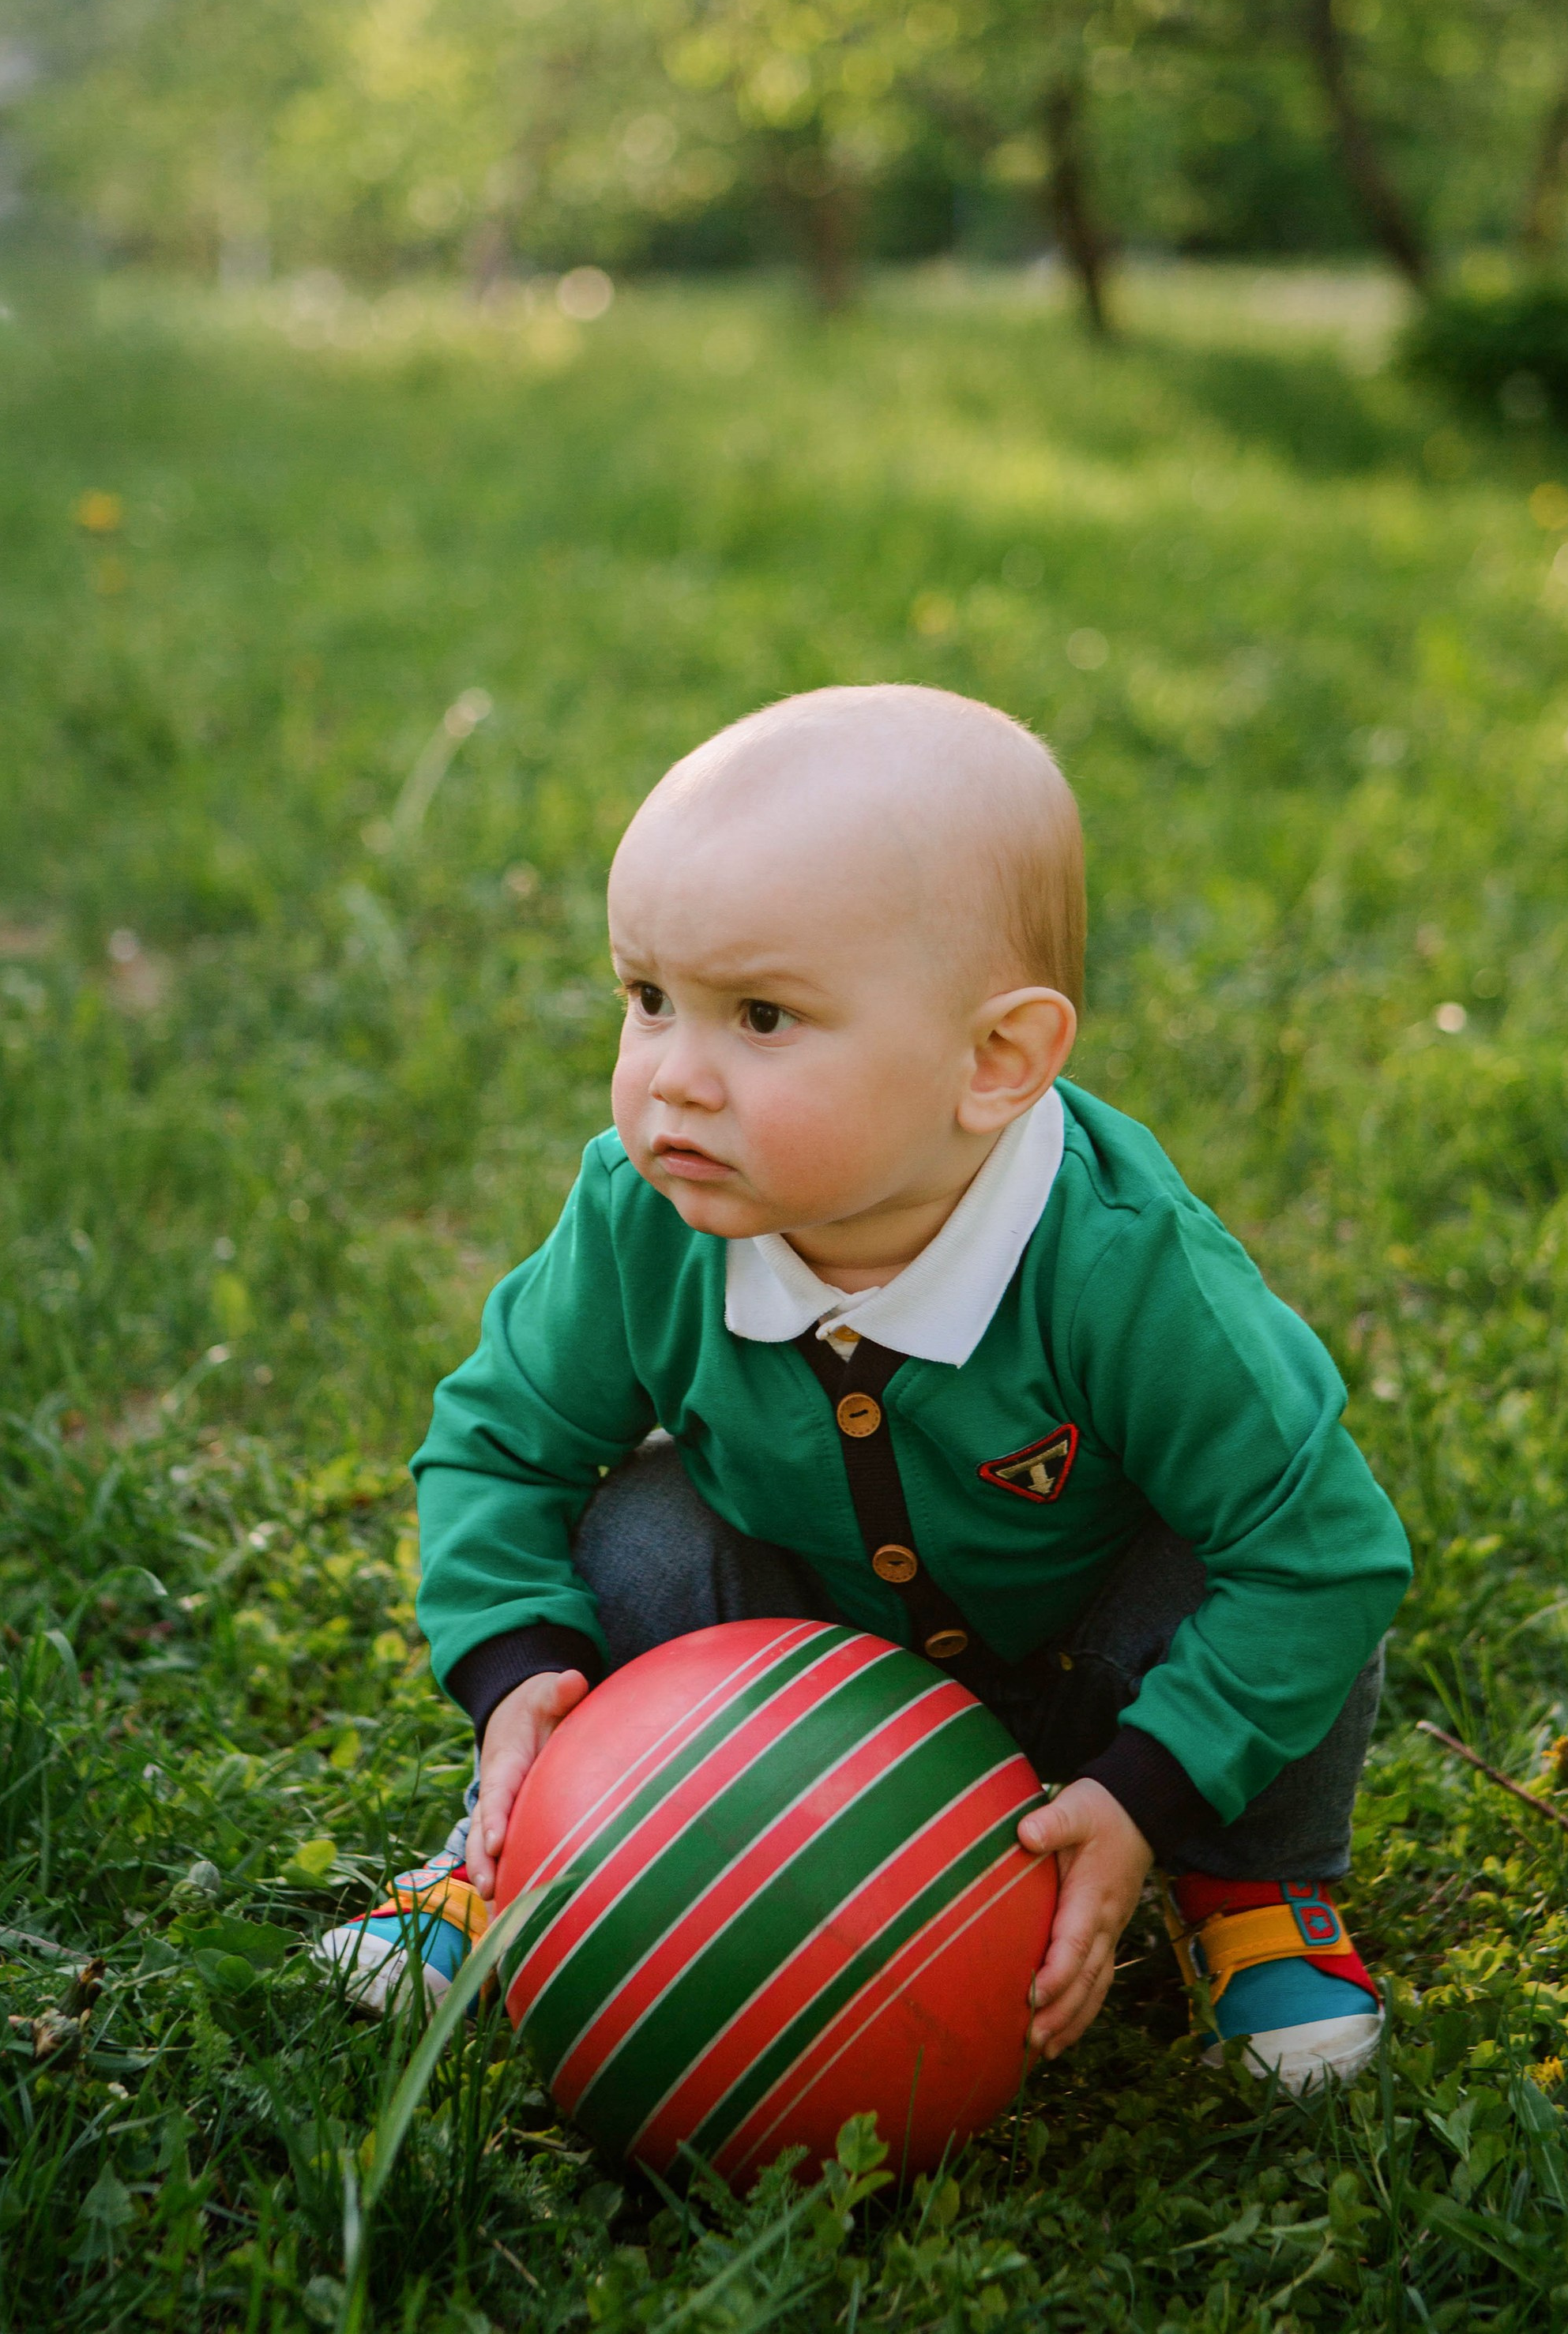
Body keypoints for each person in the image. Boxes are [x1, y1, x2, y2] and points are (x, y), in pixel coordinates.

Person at [316, 683, 1409, 2092]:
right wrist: (517, 1668)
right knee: (640, 1535)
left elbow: (1324, 1555)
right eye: (648, 1000)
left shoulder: (1130, 1273)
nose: (674, 1083)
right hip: (803, 1665)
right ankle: (537, 1839)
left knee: (1250, 1555)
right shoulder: (643, 1219)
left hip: (1106, 1671)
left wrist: (1151, 1788)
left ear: (995, 1061)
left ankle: (1248, 1884)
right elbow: (496, 1440)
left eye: (761, 1017)